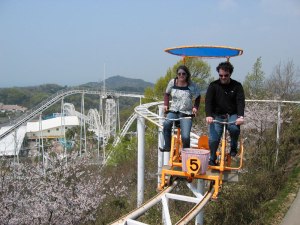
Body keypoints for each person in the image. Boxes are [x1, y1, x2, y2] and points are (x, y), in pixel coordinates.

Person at [205, 61, 245, 166]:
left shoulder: (237, 86)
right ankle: (212, 159)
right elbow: (208, 101)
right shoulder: (213, 85)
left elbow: (240, 101)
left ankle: (233, 147)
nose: (223, 77)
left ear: (230, 74)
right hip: (217, 115)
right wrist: (208, 115)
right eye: (221, 75)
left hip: (232, 114)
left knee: (234, 128)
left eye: (226, 75)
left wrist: (240, 116)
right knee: (213, 139)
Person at [159, 65, 201, 152]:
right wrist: (166, 104)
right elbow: (167, 94)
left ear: (187, 75)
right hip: (174, 110)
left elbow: (198, 96)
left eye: (183, 74)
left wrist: (195, 107)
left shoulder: (191, 85)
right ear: (177, 74)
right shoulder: (172, 82)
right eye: (179, 74)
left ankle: (186, 152)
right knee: (166, 124)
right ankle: (167, 146)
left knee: (185, 136)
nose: (181, 75)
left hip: (186, 112)